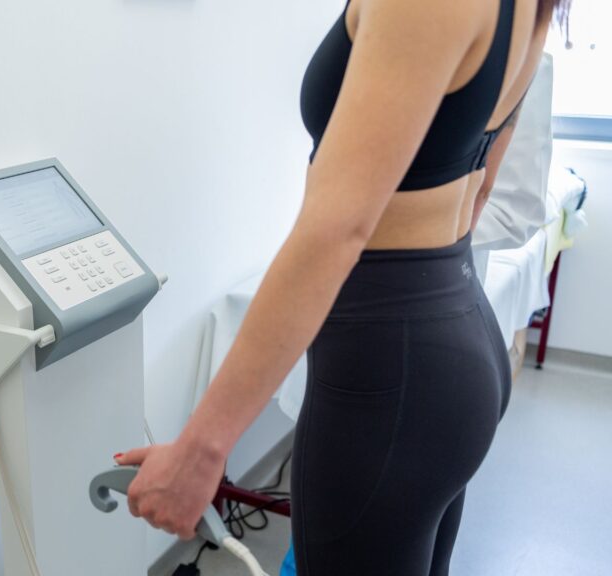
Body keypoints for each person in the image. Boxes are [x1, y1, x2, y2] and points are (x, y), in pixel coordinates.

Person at [116, 0, 570, 574]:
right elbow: (480, 189)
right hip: (453, 327)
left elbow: (336, 230)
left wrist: (201, 448)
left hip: (393, 368)